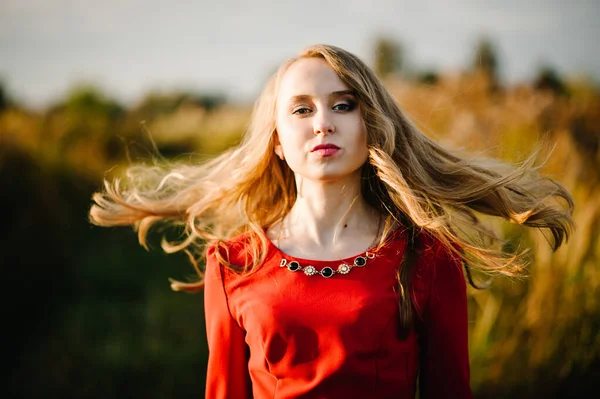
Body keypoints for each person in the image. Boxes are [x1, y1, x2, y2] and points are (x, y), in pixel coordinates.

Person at [89, 44, 574, 398]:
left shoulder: (427, 258)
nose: (323, 121)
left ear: (373, 125)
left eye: (343, 105)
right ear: (277, 139)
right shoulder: (233, 263)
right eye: (302, 109)